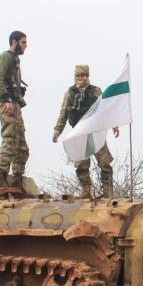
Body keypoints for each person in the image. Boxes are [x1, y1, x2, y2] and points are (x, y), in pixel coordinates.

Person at [52, 65, 120, 198]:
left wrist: (114, 125)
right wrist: (57, 131)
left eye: (85, 75)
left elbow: (105, 108)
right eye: (80, 75)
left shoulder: (95, 91)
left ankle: (107, 191)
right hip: (79, 131)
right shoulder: (70, 94)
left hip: (95, 130)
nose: (83, 78)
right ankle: (86, 191)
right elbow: (63, 113)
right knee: (81, 164)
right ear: (75, 76)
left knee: (104, 162)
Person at [0, 31, 30, 194]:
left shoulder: (15, 60)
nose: (25, 46)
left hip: (15, 105)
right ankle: (0, 179)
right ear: (14, 42)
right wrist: (6, 98)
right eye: (23, 42)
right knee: (10, 139)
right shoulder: (6, 57)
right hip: (8, 105)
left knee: (21, 146)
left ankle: (16, 181)